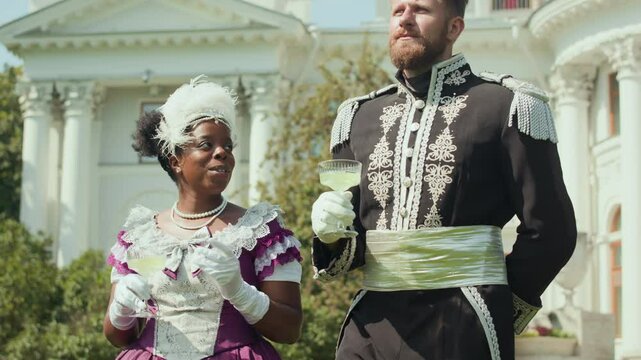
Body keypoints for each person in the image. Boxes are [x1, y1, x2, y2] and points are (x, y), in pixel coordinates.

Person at [310, 1, 576, 359]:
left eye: (420, 9)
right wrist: (330, 235)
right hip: (371, 326)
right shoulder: (357, 118)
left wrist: (494, 305)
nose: (404, 19)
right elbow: (351, 246)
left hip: (464, 321)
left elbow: (551, 231)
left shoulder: (507, 105)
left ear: (454, 27)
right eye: (397, 10)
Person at [103, 76, 303, 360]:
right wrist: (121, 309)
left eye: (228, 146)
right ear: (175, 160)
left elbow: (290, 330)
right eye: (206, 144)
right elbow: (116, 336)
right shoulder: (139, 236)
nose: (222, 152)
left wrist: (241, 292)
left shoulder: (260, 231)